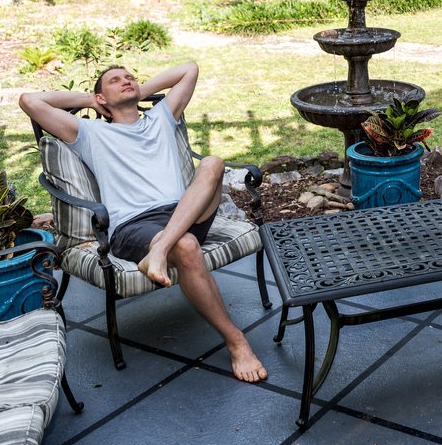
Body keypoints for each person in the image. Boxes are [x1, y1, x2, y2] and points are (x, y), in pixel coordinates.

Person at [20, 61, 267, 383]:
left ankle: (160, 250)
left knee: (212, 163)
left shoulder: (162, 117)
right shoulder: (89, 133)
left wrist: (137, 92)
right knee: (187, 245)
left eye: (130, 77)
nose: (126, 80)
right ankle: (237, 342)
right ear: (101, 98)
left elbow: (189, 68)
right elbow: (29, 100)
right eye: (115, 80)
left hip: (184, 212)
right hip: (133, 225)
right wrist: (92, 101)